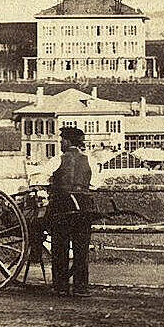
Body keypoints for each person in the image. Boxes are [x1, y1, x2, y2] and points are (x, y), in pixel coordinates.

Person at [44, 127, 95, 297]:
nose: (60, 143)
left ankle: (61, 286)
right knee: (81, 249)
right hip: (84, 207)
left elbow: (42, 176)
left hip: (62, 206)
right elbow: (96, 182)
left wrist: (52, 182)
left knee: (60, 246)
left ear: (67, 141)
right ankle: (81, 287)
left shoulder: (57, 159)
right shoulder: (90, 160)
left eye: (61, 140)